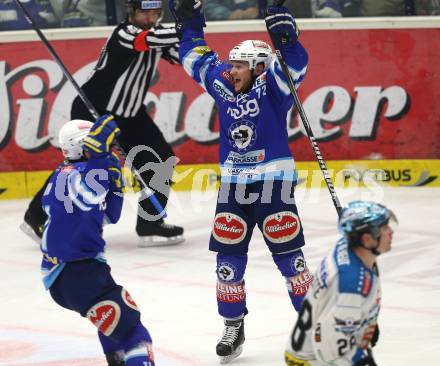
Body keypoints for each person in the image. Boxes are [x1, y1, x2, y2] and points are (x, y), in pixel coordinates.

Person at [170, 1, 312, 363]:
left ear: (259, 68)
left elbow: (295, 63)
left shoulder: (274, 86)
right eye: (231, 64)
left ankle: (315, 325)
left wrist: (287, 38)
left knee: (290, 261)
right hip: (233, 186)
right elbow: (194, 55)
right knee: (227, 262)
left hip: (274, 184)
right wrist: (190, 21)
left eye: (239, 65)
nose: (231, 71)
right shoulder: (221, 82)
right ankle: (233, 324)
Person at [21, 0, 184, 247]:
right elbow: (148, 40)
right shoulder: (125, 33)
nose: (151, 18)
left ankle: (150, 223)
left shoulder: (157, 35)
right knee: (80, 167)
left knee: (160, 162)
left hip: (130, 114)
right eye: (145, 13)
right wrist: (189, 24)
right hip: (94, 110)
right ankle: (36, 217)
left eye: (156, 13)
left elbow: (182, 54)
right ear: (132, 12)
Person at [41, 115, 155, 366]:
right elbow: (88, 196)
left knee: (112, 323)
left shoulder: (64, 173)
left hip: (71, 274)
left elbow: (106, 216)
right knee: (133, 332)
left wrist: (115, 185)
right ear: (85, 145)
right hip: (78, 274)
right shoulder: (72, 176)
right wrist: (102, 160)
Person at [285, 201, 397, 366]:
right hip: (315, 360)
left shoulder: (347, 246)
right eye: (384, 228)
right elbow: (329, 348)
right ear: (366, 239)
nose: (391, 231)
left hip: (310, 350)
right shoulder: (350, 285)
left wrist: (363, 321)